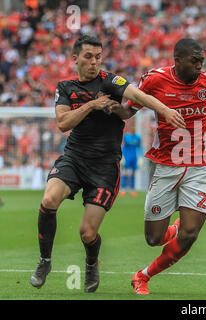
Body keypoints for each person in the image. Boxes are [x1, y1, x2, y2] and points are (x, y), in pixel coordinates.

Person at [30, 35, 185, 293]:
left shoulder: (111, 81)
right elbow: (62, 123)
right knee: (49, 200)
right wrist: (92, 104)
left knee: (87, 233)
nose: (94, 62)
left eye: (98, 57)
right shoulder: (66, 87)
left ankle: (92, 262)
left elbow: (139, 95)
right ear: (75, 59)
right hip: (74, 158)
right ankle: (44, 261)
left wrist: (165, 111)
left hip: (104, 168)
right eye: (88, 56)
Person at [123, 38, 206, 295]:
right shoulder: (154, 80)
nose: (201, 66)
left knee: (190, 233)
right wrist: (108, 108)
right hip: (166, 166)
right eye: (195, 61)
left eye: (202, 61)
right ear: (178, 60)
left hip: (199, 164)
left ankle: (143, 276)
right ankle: (174, 227)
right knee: (153, 239)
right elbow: (127, 111)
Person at [120, 121, 142, 197]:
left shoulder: (138, 137)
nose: (133, 129)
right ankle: (123, 189)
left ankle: (132, 189)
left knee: (133, 173)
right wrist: (122, 156)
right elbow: (124, 147)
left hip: (134, 157)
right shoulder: (127, 137)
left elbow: (139, 148)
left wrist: (140, 157)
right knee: (125, 173)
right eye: (132, 128)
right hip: (127, 157)